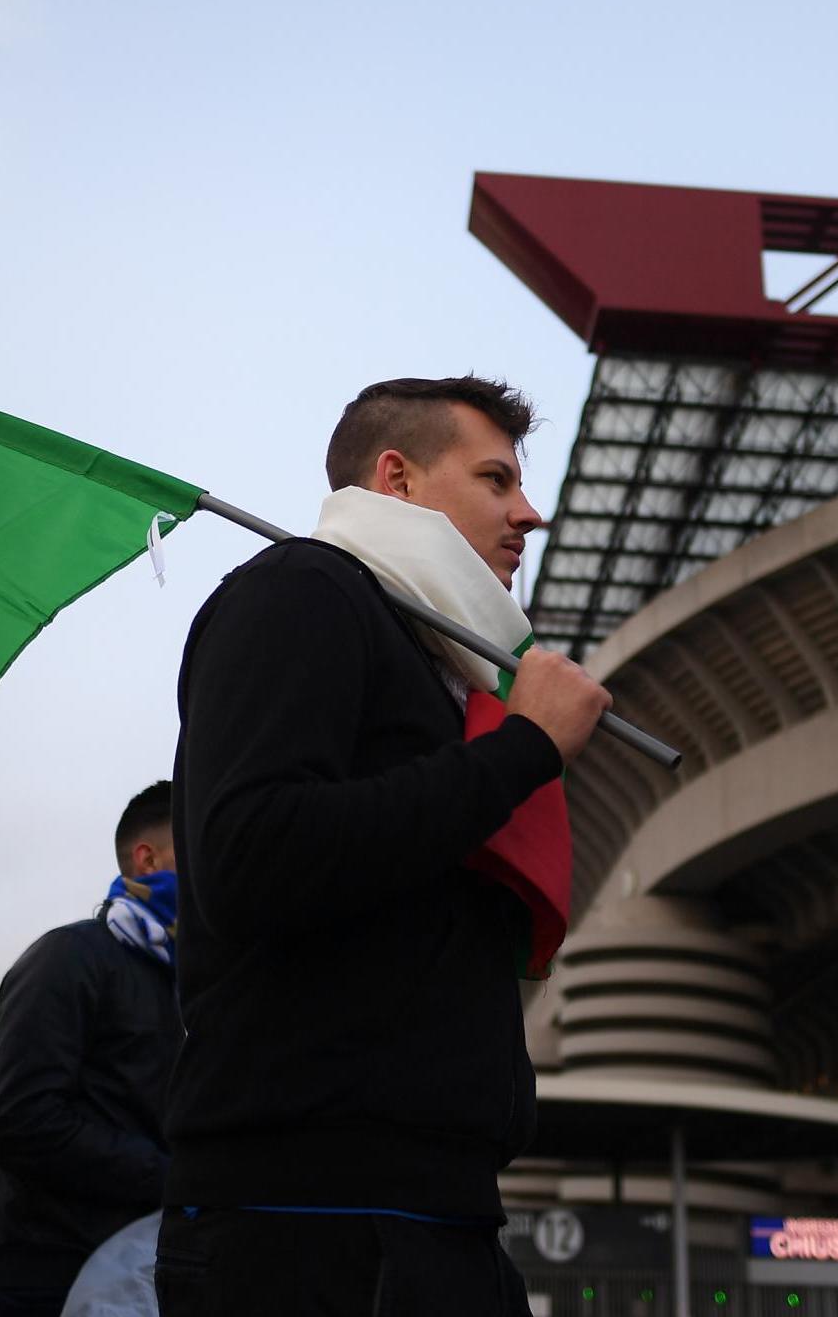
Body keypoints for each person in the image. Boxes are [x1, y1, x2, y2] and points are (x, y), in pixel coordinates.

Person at [157, 376, 611, 1315]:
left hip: (437, 1210)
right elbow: (253, 854)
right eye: (496, 479)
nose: (530, 513)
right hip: (308, 1221)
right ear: (396, 478)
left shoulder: (444, 662)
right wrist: (521, 750)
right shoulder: (302, 591)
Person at [0, 782, 182, 1315]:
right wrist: (173, 1178)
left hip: (151, 1269)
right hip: (48, 1274)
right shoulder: (68, 959)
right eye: (202, 845)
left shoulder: (198, 985)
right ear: (148, 857)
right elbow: (23, 1120)